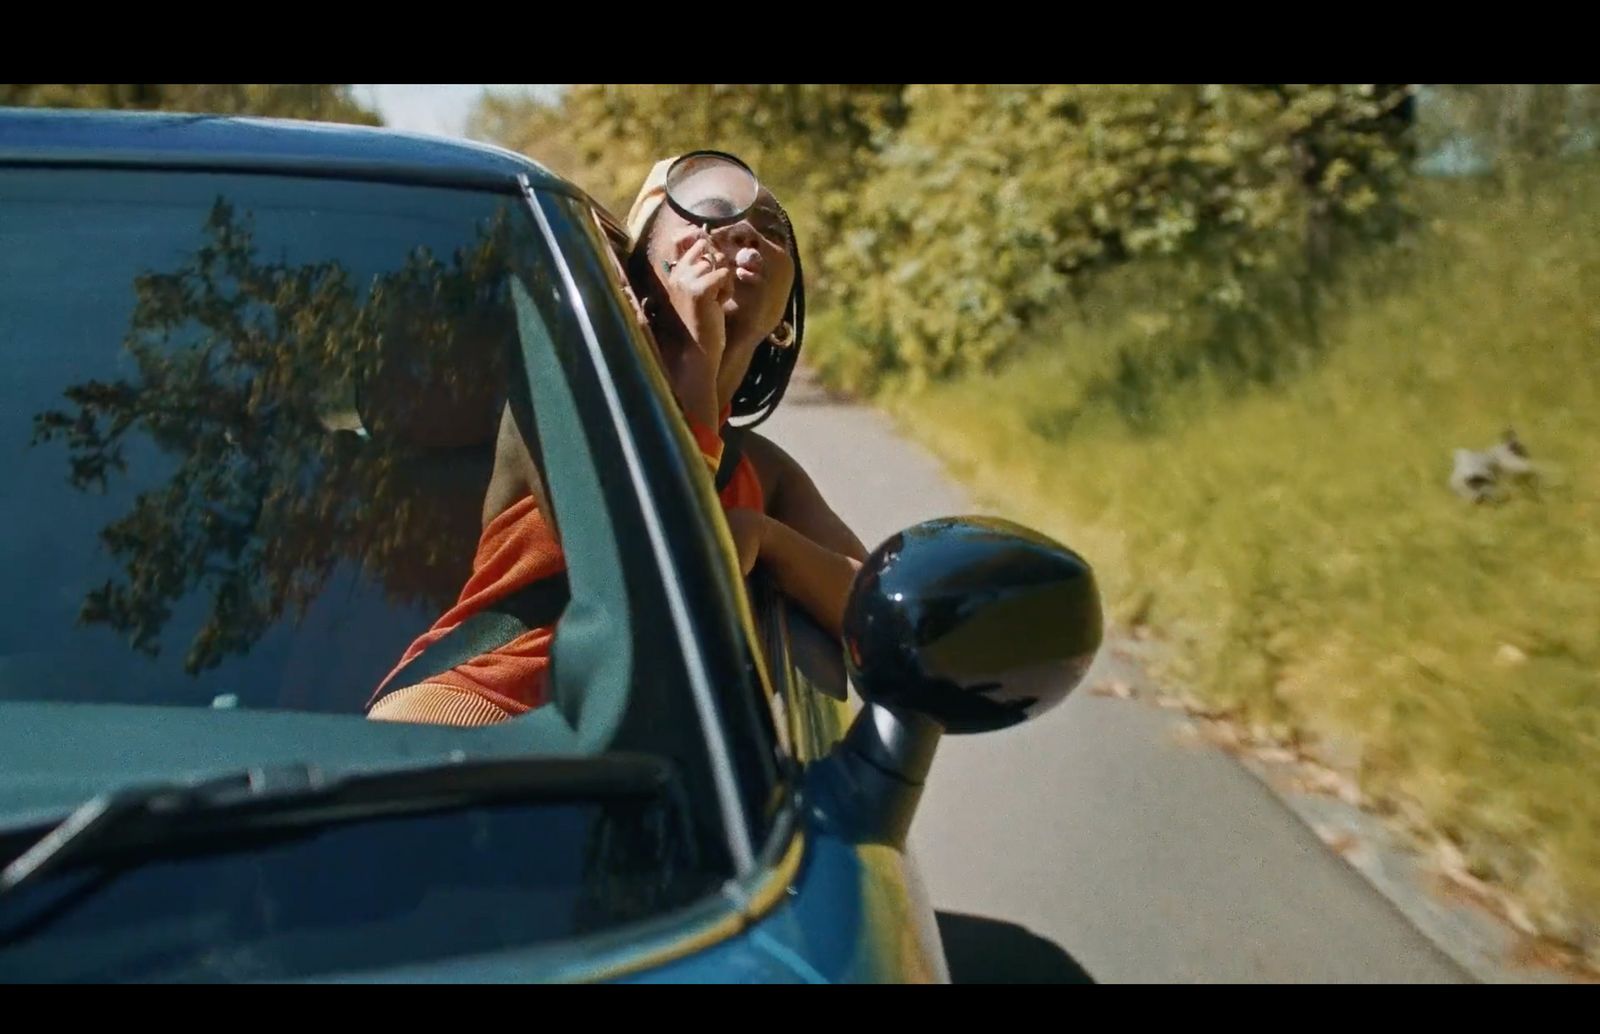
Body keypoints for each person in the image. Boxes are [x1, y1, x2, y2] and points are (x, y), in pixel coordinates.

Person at [367, 154, 866, 726]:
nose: (746, 229)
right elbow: (651, 571)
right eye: (707, 215)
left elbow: (879, 616)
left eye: (772, 228)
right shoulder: (564, 389)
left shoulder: (767, 475)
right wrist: (697, 369)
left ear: (784, 322)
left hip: (646, 765)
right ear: (643, 281)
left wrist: (765, 538)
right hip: (474, 715)